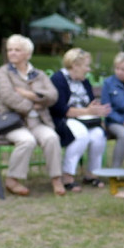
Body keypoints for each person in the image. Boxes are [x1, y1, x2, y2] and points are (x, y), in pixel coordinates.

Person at [0, 34, 64, 196]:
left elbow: (53, 95)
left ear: (27, 53)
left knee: (51, 137)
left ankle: (56, 179)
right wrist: (35, 103)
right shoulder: (3, 73)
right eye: (10, 50)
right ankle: (12, 179)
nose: (12, 53)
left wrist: (30, 94)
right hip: (12, 121)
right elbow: (8, 96)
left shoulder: (38, 74)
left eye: (17, 50)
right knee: (27, 141)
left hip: (37, 122)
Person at [49, 48, 110, 191]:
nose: (88, 69)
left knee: (98, 136)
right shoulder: (58, 80)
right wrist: (88, 111)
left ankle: (92, 174)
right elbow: (61, 110)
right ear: (75, 65)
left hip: (84, 119)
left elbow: (89, 102)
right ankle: (67, 175)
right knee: (81, 135)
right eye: (86, 66)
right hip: (63, 120)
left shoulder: (84, 81)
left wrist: (94, 109)